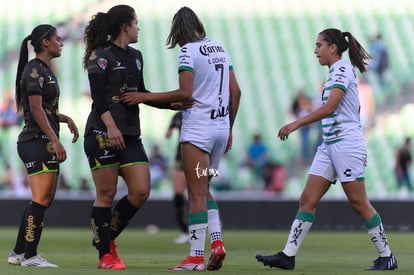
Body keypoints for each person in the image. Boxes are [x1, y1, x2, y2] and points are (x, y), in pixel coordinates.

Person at [256, 28, 397, 271]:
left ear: (333, 47)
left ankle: (387, 256)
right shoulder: (334, 72)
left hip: (346, 144)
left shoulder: (341, 69)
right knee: (307, 199)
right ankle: (288, 255)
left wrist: (296, 123)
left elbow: (331, 107)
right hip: (329, 145)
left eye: (319, 45)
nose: (315, 50)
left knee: (358, 202)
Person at [121, 6, 241, 271]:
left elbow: (185, 93)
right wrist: (229, 128)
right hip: (221, 130)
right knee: (205, 189)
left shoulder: (188, 51)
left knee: (195, 192)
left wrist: (144, 96)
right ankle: (217, 243)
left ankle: (196, 257)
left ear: (178, 31)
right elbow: (236, 92)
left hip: (199, 131)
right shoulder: (219, 48)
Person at [82, 5, 174, 270]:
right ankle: (105, 255)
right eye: (136, 23)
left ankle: (105, 238)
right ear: (125, 26)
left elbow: (141, 93)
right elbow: (98, 100)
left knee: (141, 191)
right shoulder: (100, 56)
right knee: (107, 194)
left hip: (131, 134)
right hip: (102, 132)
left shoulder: (136, 56)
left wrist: (172, 104)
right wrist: (111, 127)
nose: (139, 28)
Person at [7, 24, 79, 267]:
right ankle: (30, 256)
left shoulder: (44, 70)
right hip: (36, 141)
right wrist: (55, 139)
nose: (61, 42)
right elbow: (35, 109)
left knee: (43, 199)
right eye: (57, 39)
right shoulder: (34, 70)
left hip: (41, 139)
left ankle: (18, 252)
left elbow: (44, 109)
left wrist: (64, 118)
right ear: (45, 43)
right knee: (40, 199)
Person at [165, 112, 190, 244]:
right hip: (180, 159)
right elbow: (168, 132)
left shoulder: (200, 112)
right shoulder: (178, 116)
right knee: (178, 196)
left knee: (200, 194)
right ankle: (185, 231)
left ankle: (209, 227)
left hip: (197, 157)